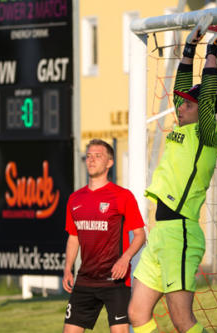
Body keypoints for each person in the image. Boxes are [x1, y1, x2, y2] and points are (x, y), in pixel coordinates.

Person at [128, 16, 217, 333]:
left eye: (188, 104)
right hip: (160, 232)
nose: (181, 106)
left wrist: (213, 49)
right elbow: (180, 88)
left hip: (181, 234)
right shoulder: (182, 127)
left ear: (201, 108)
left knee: (181, 320)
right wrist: (189, 48)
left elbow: (204, 93)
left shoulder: (207, 134)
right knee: (137, 314)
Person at [62, 139, 146, 333]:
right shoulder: (75, 198)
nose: (91, 160)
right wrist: (68, 268)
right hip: (85, 279)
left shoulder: (122, 196)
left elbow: (140, 235)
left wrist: (125, 259)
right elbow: (73, 237)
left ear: (109, 163)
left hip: (114, 280)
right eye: (89, 156)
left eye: (98, 156)